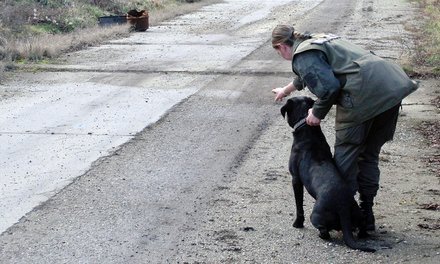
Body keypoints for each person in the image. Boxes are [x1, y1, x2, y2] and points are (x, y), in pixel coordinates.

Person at [271, 24, 418, 231]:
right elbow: (312, 72)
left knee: (343, 160)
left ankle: (343, 217)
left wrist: (316, 112)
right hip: (390, 88)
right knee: (369, 154)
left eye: (277, 52)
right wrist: (286, 90)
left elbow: (329, 88)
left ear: (281, 46)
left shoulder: (302, 55)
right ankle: (366, 215)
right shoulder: (319, 39)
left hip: (363, 96)